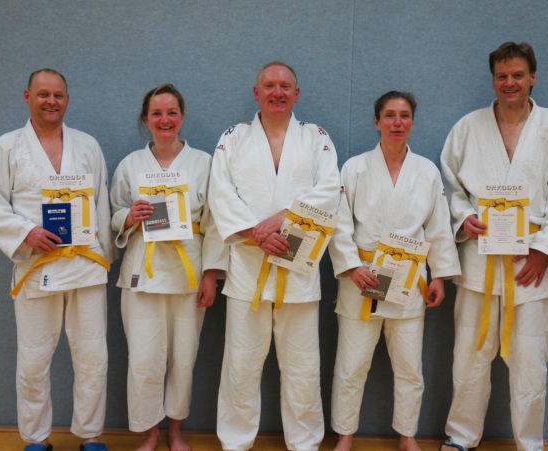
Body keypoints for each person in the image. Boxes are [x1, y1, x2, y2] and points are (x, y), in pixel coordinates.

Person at [439, 42, 548, 451]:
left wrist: (545, 250)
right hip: (479, 258)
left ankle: (529, 443)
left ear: (532, 77)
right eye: (502, 76)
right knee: (469, 356)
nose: (510, 83)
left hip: (529, 261)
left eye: (518, 75)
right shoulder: (468, 127)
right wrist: (463, 217)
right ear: (493, 80)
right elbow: (448, 185)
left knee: (530, 362)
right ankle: (461, 436)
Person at [0, 68, 115, 451]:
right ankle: (36, 438)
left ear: (67, 99)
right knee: (34, 359)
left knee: (93, 355)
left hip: (86, 264)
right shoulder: (7, 147)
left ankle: (91, 435)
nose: (51, 101)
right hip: (37, 266)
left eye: (58, 95)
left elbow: (101, 204)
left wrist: (105, 257)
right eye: (43, 94)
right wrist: (25, 233)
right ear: (27, 96)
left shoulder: (87, 145)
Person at [208, 61, 341, 451]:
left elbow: (329, 189)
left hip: (297, 268)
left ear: (296, 94)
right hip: (247, 266)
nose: (277, 92)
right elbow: (220, 193)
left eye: (285, 86)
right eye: (269, 86)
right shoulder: (233, 138)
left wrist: (284, 217)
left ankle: (305, 443)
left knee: (302, 366)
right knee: (240, 364)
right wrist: (256, 233)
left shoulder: (316, 137)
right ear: (256, 93)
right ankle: (235, 442)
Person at [328, 91, 461, 451]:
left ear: (412, 122)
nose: (397, 122)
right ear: (377, 122)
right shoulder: (354, 168)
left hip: (408, 282)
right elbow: (339, 224)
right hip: (363, 278)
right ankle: (345, 435)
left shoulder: (427, 172)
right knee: (351, 366)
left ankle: (407, 435)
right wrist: (351, 267)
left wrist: (440, 276)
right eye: (389, 115)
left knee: (409, 368)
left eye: (404, 115)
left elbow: (438, 227)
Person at [109, 84, 228, 451]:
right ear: (146, 119)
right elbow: (112, 214)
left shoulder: (204, 162)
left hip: (189, 273)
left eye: (172, 112)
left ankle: (175, 431)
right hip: (142, 274)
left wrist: (211, 274)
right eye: (157, 113)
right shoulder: (130, 165)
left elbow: (216, 222)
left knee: (183, 357)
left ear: (182, 117)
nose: (165, 120)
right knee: (144, 359)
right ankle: (150, 433)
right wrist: (128, 217)